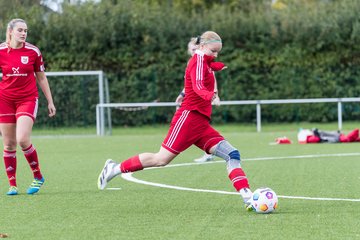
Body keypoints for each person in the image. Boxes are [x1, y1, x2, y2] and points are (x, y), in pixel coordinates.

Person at [98, 31, 253, 209]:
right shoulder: (197, 61)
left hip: (201, 124)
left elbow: (208, 67)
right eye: (213, 51)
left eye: (218, 51)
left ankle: (247, 196)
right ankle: (115, 168)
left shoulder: (204, 60)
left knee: (232, 154)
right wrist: (211, 96)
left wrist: (219, 65)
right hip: (188, 118)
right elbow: (197, 85)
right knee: (160, 159)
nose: (215, 55)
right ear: (202, 47)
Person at [0, 19, 56, 195]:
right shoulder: (1, 50)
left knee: (22, 139)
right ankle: (13, 185)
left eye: (26, 31)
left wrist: (50, 101)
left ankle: (38, 176)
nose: (24, 33)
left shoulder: (33, 51)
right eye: (20, 30)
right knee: (9, 143)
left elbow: (41, 77)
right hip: (5, 100)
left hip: (27, 99)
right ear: (10, 31)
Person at [175, 38, 225, 163]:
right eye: (192, 49)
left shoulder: (202, 62)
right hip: (196, 103)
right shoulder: (195, 62)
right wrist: (183, 93)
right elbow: (192, 83)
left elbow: (208, 78)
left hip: (200, 103)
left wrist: (215, 95)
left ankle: (209, 152)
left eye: (195, 48)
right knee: (198, 128)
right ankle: (208, 151)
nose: (194, 51)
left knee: (200, 127)